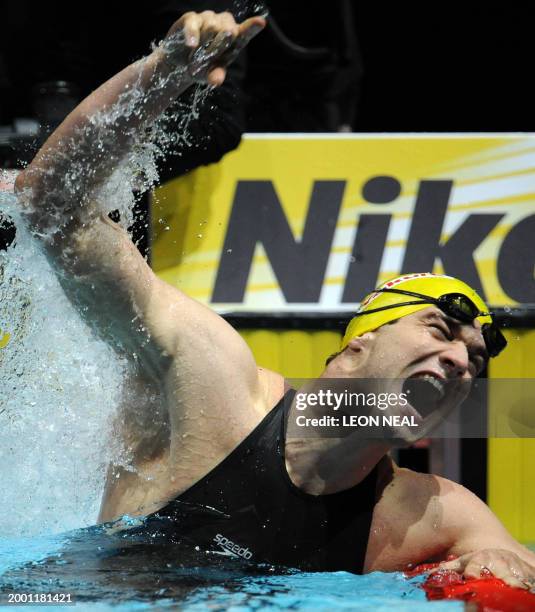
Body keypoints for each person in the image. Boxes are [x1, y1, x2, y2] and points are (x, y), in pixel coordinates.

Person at [8, 10, 535, 588]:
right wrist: (162, 74)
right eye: (438, 330)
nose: (462, 361)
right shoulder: (209, 383)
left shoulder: (428, 513)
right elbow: (53, 203)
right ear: (359, 344)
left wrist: (504, 565)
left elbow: (512, 560)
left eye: (475, 360)